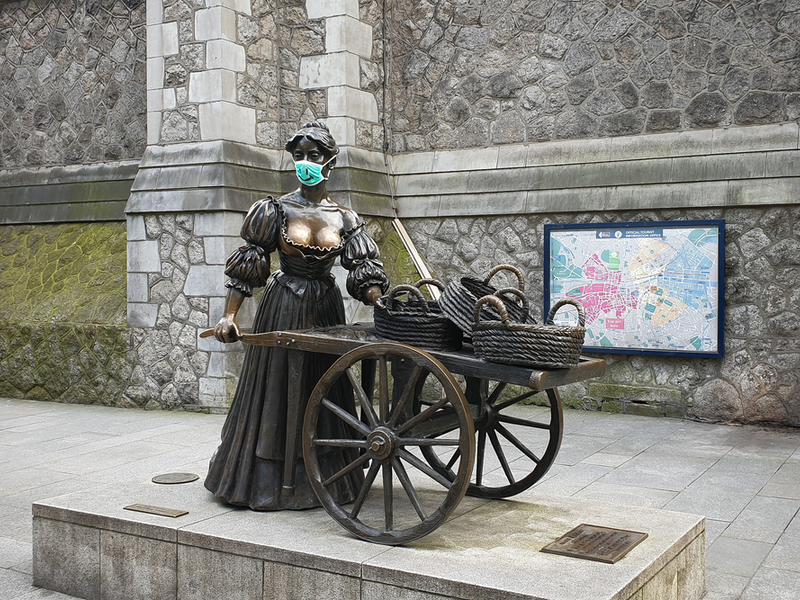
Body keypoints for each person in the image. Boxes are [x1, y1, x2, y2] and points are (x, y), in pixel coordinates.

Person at [204, 121, 389, 510]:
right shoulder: (273, 209)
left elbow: (362, 272)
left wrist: (379, 300)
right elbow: (248, 265)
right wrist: (229, 316)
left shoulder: (346, 218)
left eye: (315, 156)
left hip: (325, 307)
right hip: (283, 305)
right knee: (275, 390)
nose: (306, 163)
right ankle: (267, 481)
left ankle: (327, 478)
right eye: (300, 156)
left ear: (331, 162)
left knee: (324, 387)